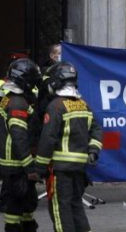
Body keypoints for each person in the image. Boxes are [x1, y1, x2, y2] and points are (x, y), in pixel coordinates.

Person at [34, 61, 102, 232]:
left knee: (60, 209)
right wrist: (93, 151)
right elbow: (96, 130)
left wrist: (40, 167)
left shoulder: (55, 106)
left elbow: (48, 139)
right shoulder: (83, 104)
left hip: (59, 169)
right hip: (79, 167)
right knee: (76, 205)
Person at [0, 58, 41, 232]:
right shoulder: (17, 103)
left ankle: (26, 225)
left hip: (14, 162)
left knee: (25, 202)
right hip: (16, 163)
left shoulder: (10, 98)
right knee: (15, 205)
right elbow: (19, 136)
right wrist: (29, 166)